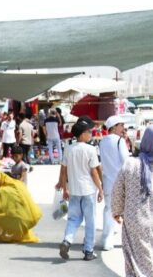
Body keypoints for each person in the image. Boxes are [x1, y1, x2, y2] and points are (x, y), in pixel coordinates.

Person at [57, 118, 103, 261]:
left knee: (73, 219)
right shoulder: (90, 149)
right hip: (88, 190)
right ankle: (88, 251)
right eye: (89, 132)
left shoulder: (68, 149)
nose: (91, 134)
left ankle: (67, 240)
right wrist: (100, 189)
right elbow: (94, 172)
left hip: (74, 190)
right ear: (82, 134)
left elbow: (63, 171)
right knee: (90, 221)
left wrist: (65, 188)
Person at [111, 125, 153, 277]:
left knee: (133, 258)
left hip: (134, 220)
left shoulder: (131, 163)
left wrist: (116, 211)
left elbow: (118, 190)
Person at [98, 115, 129, 251]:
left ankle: (106, 237)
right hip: (120, 181)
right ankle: (121, 239)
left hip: (107, 180)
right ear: (114, 127)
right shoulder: (119, 141)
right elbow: (126, 162)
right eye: (121, 125)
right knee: (125, 211)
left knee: (108, 210)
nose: (123, 128)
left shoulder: (102, 142)